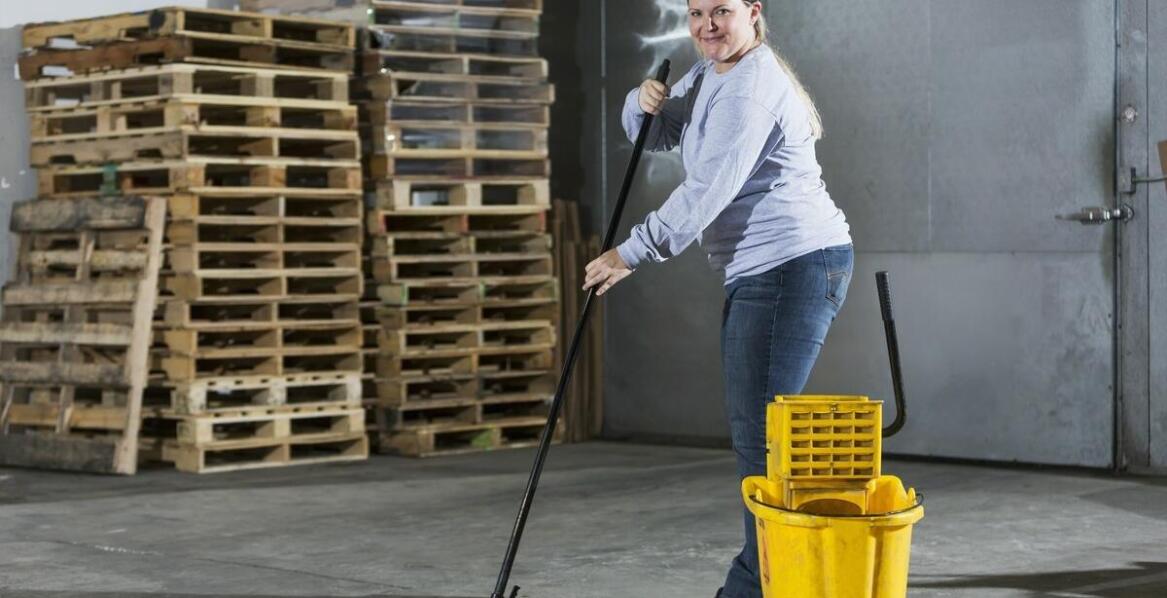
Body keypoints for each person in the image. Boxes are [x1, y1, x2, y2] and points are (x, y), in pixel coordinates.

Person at [581, 1, 854, 596]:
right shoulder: (712, 72)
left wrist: (631, 252)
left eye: (721, 11)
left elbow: (706, 190)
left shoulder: (750, 88)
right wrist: (642, 101)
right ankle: (782, 577)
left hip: (790, 268)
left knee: (761, 443)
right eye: (696, 12)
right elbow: (659, 133)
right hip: (766, 273)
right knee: (762, 439)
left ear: (753, 12)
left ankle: (754, 587)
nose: (707, 24)